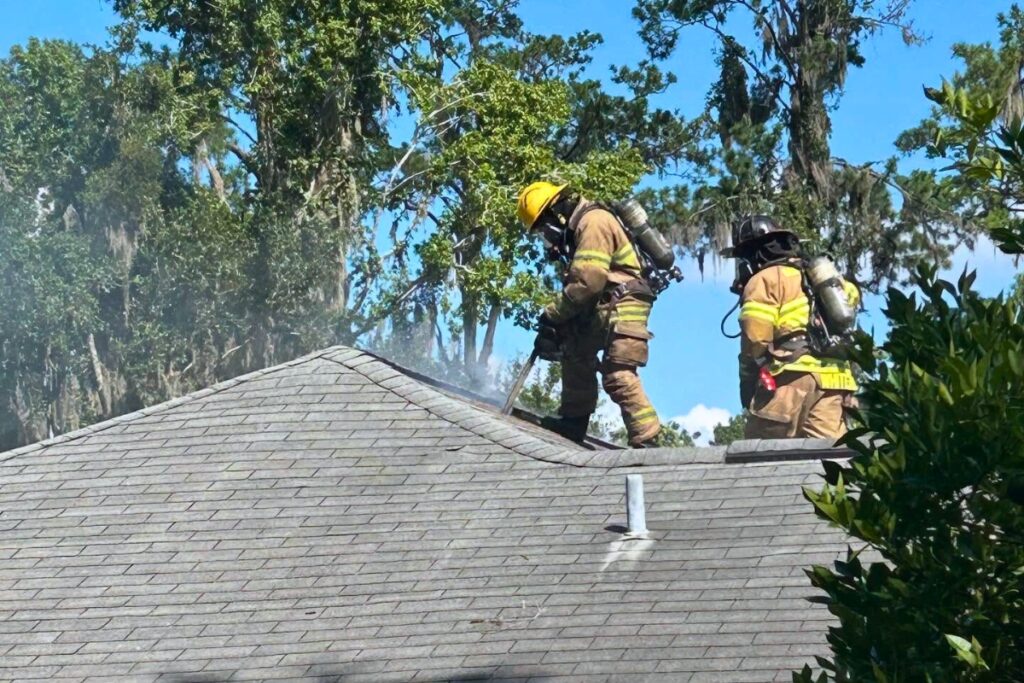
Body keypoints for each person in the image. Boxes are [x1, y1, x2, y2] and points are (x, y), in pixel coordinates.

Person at [516, 181, 663, 447]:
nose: (546, 238)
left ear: (557, 214)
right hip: (604, 304)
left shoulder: (593, 222)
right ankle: (574, 421)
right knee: (574, 349)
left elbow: (588, 282)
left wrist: (552, 314)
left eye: (544, 229)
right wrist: (558, 327)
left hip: (625, 303)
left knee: (617, 372)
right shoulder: (579, 229)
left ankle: (647, 438)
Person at [722, 215, 860, 439]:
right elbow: (852, 296)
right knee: (829, 456)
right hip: (835, 382)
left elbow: (755, 338)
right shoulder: (817, 277)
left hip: (791, 378)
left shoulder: (764, 280)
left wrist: (748, 381)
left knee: (759, 451)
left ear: (752, 255)